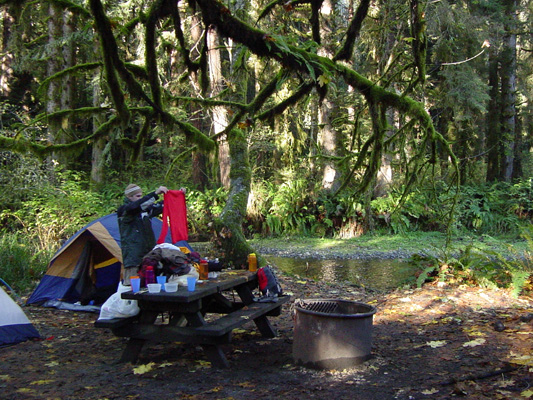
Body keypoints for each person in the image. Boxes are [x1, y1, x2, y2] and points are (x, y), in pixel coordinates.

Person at [117, 184, 168, 285]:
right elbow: (136, 206)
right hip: (133, 257)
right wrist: (155, 193)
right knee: (131, 286)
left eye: (141, 195)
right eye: (137, 196)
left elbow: (164, 205)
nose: (140, 198)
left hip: (147, 253)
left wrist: (177, 195)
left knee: (149, 284)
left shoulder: (145, 210)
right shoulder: (125, 210)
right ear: (129, 197)